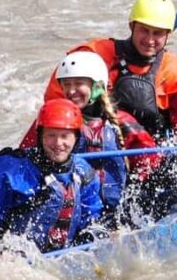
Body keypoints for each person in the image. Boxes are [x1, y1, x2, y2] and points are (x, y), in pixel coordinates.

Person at [42, 0, 177, 181]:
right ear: (131, 26)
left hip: (145, 156)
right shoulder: (94, 54)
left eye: (158, 33)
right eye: (144, 30)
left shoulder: (174, 71)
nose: (150, 40)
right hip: (89, 146)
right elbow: (54, 107)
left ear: (168, 34)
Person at [0, 99, 104, 253]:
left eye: (65, 136)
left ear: (76, 138)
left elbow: (93, 218)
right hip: (13, 258)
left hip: (60, 257)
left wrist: (90, 241)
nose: (58, 143)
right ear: (40, 136)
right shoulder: (9, 170)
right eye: (51, 135)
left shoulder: (83, 172)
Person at [20, 51, 131, 228]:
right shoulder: (52, 119)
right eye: (66, 84)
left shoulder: (120, 122)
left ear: (97, 86)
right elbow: (25, 157)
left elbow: (148, 157)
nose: (71, 91)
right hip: (72, 211)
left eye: (78, 84)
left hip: (113, 212)